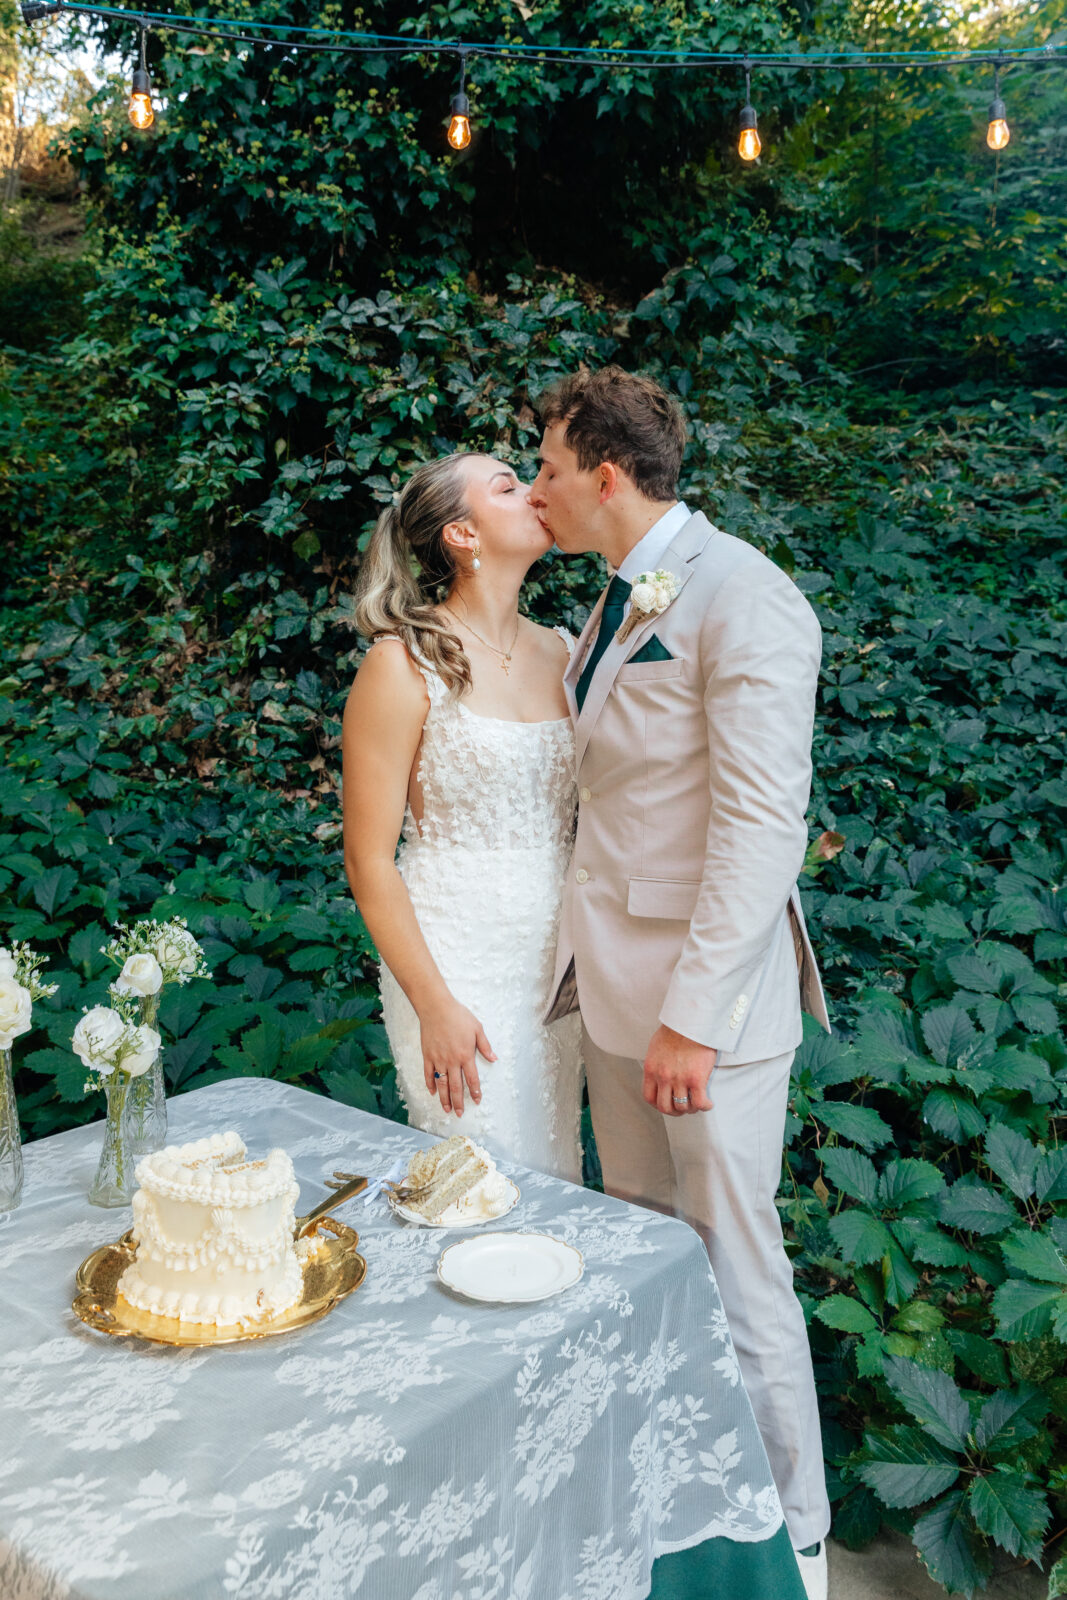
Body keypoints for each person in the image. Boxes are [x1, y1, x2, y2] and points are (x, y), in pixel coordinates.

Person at [530, 366, 832, 1600]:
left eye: (547, 467)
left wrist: (692, 1023)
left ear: (605, 476)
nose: (535, 487)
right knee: (648, 1254)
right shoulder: (609, 602)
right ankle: (683, 1515)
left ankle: (797, 1541)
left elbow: (760, 830)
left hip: (703, 1016)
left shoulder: (745, 596)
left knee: (735, 1265)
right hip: (611, 991)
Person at [341, 453, 584, 1181]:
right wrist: (434, 1004)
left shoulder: (568, 651)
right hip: (454, 962)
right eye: (508, 486)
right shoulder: (401, 665)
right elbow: (367, 861)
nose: (535, 492)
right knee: (480, 1179)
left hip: (557, 966)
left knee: (555, 1169)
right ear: (462, 534)